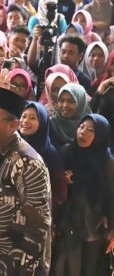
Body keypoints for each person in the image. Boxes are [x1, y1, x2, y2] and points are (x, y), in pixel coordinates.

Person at [0, 77, 52, 274]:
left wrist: (27, 270)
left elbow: (39, 227)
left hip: (21, 267)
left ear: (13, 125)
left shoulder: (26, 161)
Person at [54, 114, 114, 275]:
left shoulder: (107, 163)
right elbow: (56, 187)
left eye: (91, 130)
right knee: (65, 267)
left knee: (90, 268)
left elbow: (112, 196)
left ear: (100, 135)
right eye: (81, 127)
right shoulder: (67, 152)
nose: (83, 132)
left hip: (95, 223)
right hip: (68, 219)